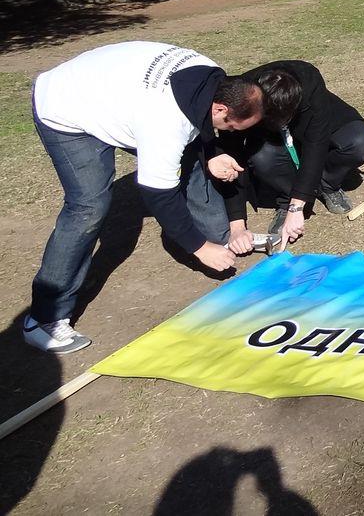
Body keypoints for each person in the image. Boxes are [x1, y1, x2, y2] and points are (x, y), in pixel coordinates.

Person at [26, 41, 265, 353]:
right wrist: (199, 248)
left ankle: (220, 237)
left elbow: (200, 129)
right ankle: (44, 318)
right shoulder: (163, 123)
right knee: (88, 207)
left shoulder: (210, 77)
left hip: (115, 95)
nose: (229, 133)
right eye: (230, 126)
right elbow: (159, 194)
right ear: (220, 108)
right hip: (66, 108)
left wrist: (210, 155)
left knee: (191, 161)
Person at [221, 61, 364, 245]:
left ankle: (326, 184)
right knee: (262, 158)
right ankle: (286, 196)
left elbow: (316, 145)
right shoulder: (242, 96)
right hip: (268, 139)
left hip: (314, 131)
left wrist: (297, 207)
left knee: (360, 142)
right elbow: (231, 156)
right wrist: (237, 225)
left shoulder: (310, 81)